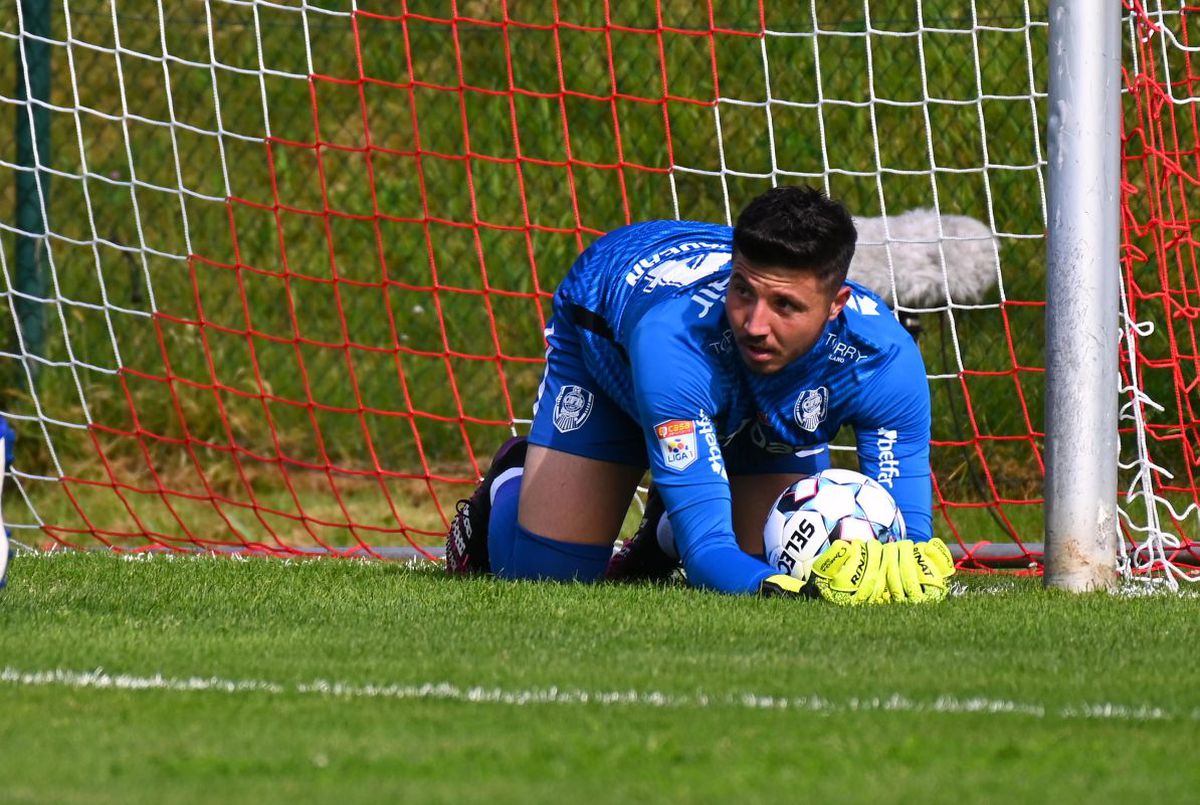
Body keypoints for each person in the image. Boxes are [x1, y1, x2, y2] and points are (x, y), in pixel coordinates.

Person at [445, 185, 954, 602]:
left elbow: (909, 535)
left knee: (768, 554)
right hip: (609, 352)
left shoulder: (883, 358)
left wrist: (907, 565)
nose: (756, 323)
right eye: (743, 291)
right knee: (549, 581)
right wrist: (791, 596)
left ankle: (666, 529)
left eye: (785, 305)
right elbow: (710, 551)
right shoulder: (673, 342)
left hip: (744, 402)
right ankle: (509, 484)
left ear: (837, 304)